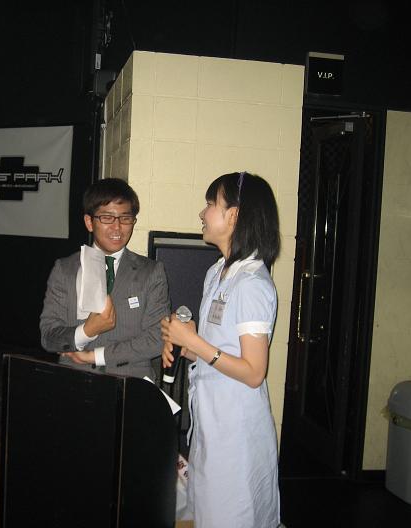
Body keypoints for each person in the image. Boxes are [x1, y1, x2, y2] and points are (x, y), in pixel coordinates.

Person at [161, 172, 281, 527]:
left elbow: (254, 372)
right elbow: (217, 349)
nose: (202, 213)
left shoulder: (252, 283)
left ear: (234, 215)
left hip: (236, 431)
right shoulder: (217, 272)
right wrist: (185, 346)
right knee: (207, 511)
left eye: (211, 204)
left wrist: (194, 341)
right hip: (209, 422)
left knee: (231, 514)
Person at [40, 178, 169, 378]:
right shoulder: (65, 269)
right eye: (107, 218)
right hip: (74, 377)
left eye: (125, 218)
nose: (117, 227)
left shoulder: (150, 272)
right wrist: (87, 331)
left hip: (130, 380)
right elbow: (49, 337)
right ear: (89, 222)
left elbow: (157, 338)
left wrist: (95, 356)